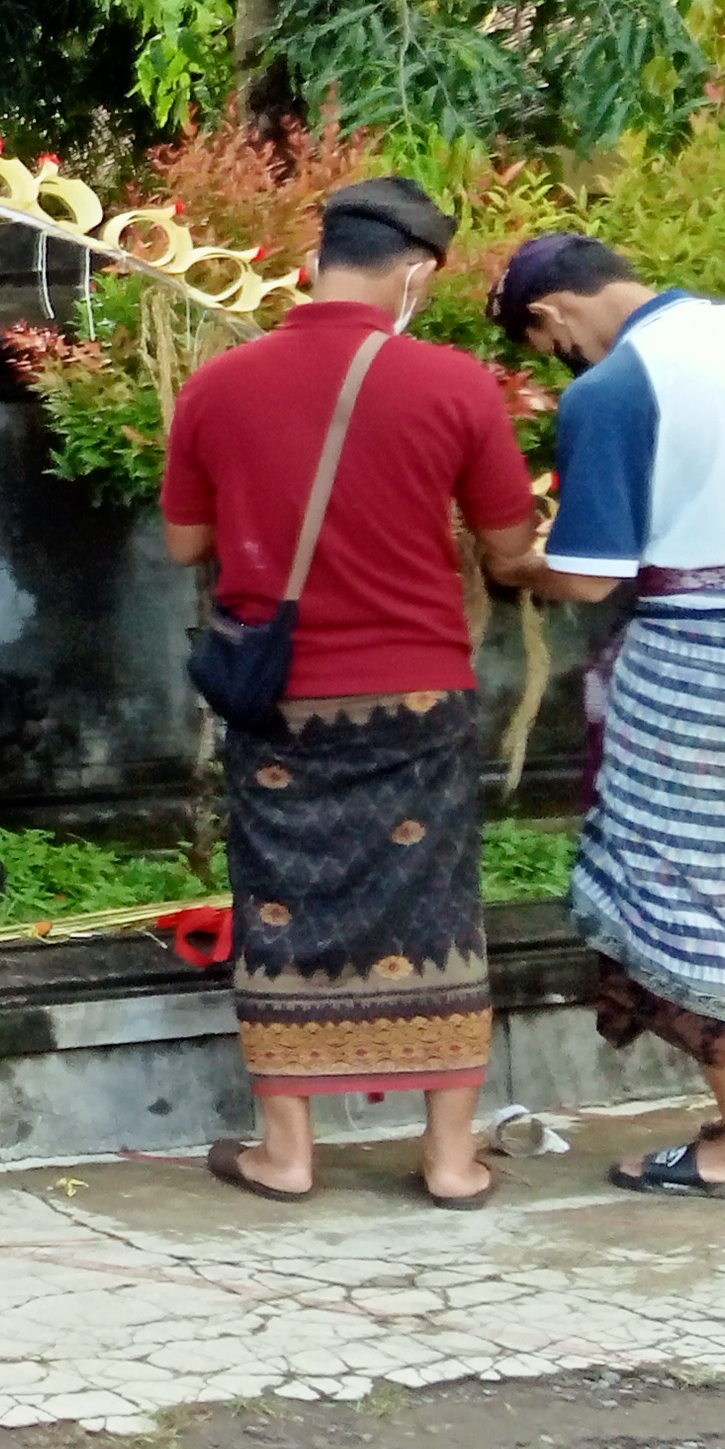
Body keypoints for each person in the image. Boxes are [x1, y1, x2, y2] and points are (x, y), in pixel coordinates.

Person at [161, 177, 542, 1209]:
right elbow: (510, 550)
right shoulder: (454, 386)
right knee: (433, 908)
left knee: (280, 902)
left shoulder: (217, 386)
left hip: (277, 695)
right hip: (416, 692)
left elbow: (183, 543)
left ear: (317, 257)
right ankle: (449, 1159)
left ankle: (285, 1155)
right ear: (414, 271)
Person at [495, 232, 725, 1203]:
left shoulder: (611, 390)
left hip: (700, 649)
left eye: (548, 349)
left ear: (550, 317)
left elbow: (583, 576)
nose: (563, 363)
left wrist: (512, 566)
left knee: (679, 873)